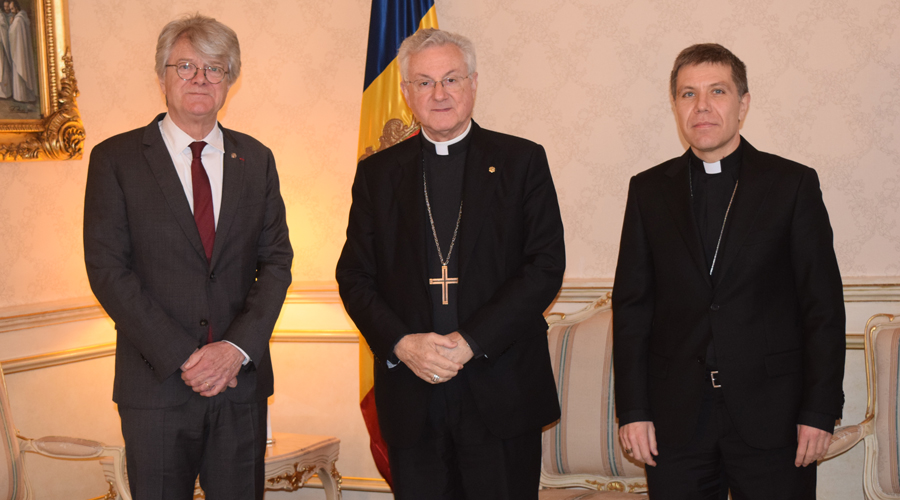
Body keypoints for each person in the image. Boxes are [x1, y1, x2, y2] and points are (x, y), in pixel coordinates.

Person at [336, 28, 565, 500]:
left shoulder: (521, 161)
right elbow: (354, 276)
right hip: (412, 396)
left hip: (500, 389)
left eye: (451, 79)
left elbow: (544, 265)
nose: (439, 94)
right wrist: (402, 343)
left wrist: (471, 341)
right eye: (423, 82)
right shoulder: (378, 174)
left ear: (474, 84)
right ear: (405, 95)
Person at [612, 43, 845, 499]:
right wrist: (633, 411)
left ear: (743, 103)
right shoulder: (649, 191)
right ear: (675, 105)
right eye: (687, 94)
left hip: (774, 416)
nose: (702, 106)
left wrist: (818, 410)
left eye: (717, 91)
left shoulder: (791, 185)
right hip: (676, 419)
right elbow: (632, 308)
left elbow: (822, 306)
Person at [83, 14, 292, 500]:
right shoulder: (116, 159)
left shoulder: (256, 159)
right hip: (155, 387)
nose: (200, 78)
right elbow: (108, 271)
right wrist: (186, 357)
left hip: (240, 385)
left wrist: (233, 350)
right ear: (162, 77)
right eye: (185, 66)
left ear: (229, 81)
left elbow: (276, 262)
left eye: (214, 68)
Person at [8, 0, 35, 103]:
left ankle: (22, 97)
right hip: (20, 50)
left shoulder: (18, 20)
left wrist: (11, 25)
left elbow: (12, 33)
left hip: (19, 52)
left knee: (20, 71)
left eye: (12, 9)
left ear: (17, 8)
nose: (11, 11)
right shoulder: (22, 18)